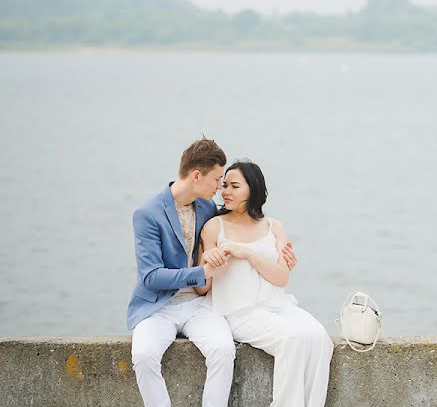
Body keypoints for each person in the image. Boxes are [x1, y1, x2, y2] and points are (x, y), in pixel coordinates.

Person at [127, 139, 297, 407]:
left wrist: (280, 255)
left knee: (222, 349)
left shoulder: (207, 209)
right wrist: (201, 270)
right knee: (144, 355)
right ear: (197, 176)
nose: (221, 188)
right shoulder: (147, 213)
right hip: (157, 307)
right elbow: (151, 277)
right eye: (218, 179)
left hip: (201, 304)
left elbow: (245, 223)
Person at [194, 160, 333, 407]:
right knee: (292, 340)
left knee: (319, 337)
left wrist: (248, 254)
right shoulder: (214, 227)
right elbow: (202, 286)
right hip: (238, 310)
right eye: (224, 185)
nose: (225, 191)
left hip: (279, 305)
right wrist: (207, 260)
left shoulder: (274, 226)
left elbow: (281, 277)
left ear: (253, 189)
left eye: (234, 186)